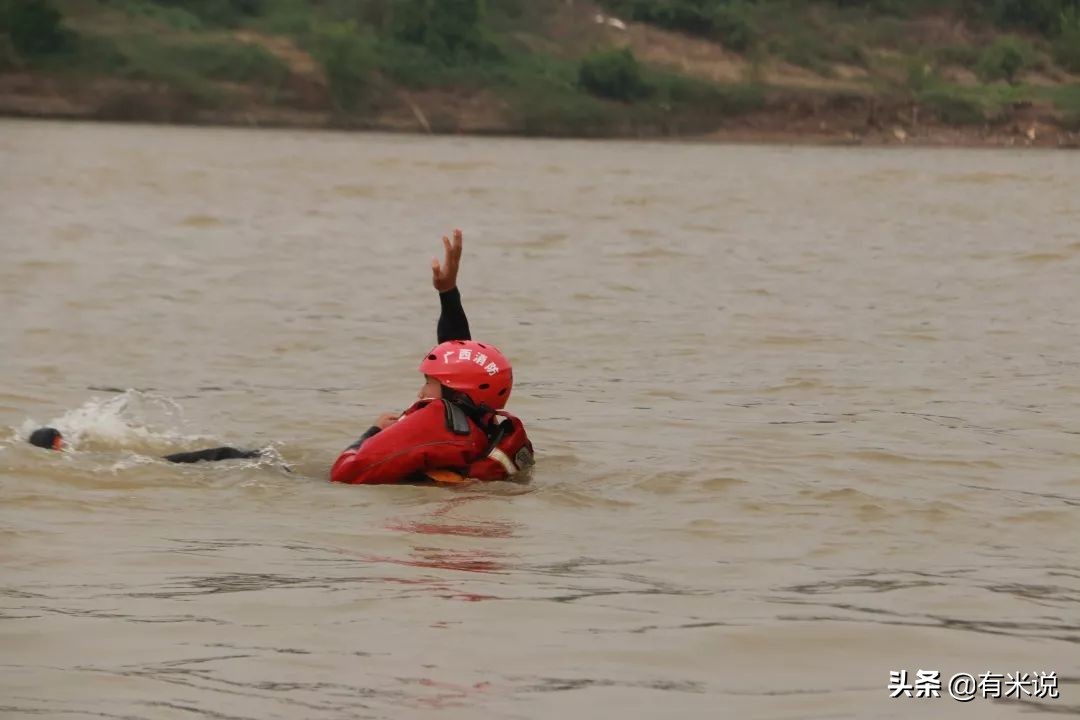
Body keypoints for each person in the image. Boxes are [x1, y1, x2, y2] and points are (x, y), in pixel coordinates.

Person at [329, 229, 534, 485]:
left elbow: (343, 475)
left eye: (428, 382)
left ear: (455, 392)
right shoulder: (484, 424)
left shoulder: (438, 422)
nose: (420, 392)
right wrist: (448, 293)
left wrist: (375, 431)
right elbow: (459, 359)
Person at [26, 426, 264, 464]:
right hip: (148, 464)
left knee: (222, 454)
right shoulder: (72, 461)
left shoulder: (74, 457)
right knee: (221, 454)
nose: (63, 443)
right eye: (57, 442)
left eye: (60, 439)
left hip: (144, 462)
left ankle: (252, 457)